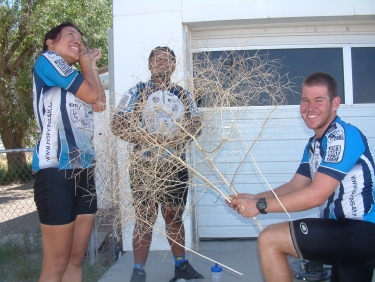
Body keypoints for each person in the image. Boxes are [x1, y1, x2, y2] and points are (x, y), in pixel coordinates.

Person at [227, 72, 375, 282]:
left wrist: (260, 206)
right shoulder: (315, 144)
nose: (310, 107)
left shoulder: (341, 136)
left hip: (360, 232)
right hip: (343, 234)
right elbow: (295, 186)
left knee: (270, 239)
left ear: (335, 103)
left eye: (319, 100)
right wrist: (253, 198)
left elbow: (316, 195)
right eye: (305, 100)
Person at [112, 46, 203, 282]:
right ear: (150, 64)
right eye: (157, 59)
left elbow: (196, 125)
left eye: (167, 60)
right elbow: (118, 124)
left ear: (173, 66)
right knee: (144, 217)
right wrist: (146, 138)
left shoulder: (183, 94)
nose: (162, 63)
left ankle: (181, 266)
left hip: (174, 165)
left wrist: (177, 137)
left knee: (174, 216)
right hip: (144, 165)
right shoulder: (138, 91)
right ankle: (138, 272)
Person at [32, 22, 106, 281]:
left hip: (83, 169)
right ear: (50, 43)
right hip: (56, 170)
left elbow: (99, 103)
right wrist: (86, 62)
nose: (78, 41)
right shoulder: (49, 60)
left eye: (81, 39)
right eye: (70, 36)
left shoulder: (75, 74)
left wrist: (91, 65)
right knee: (57, 263)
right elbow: (90, 95)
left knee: (76, 258)